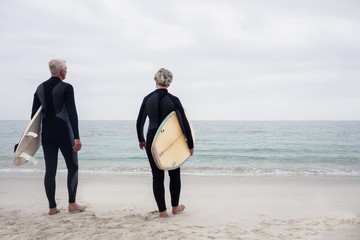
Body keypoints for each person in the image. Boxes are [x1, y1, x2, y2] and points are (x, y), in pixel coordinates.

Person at [136, 68, 194, 218]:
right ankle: (175, 207)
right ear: (169, 82)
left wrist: (141, 139)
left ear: (155, 80)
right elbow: (184, 124)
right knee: (174, 174)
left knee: (157, 176)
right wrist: (190, 144)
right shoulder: (174, 100)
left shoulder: (147, 99)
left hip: (152, 140)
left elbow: (139, 122)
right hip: (170, 143)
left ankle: (162, 212)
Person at [32, 59, 86, 215]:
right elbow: (71, 113)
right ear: (61, 71)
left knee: (50, 170)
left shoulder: (40, 88)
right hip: (63, 131)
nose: (67, 71)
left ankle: (52, 207)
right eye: (66, 69)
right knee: (73, 166)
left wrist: (33, 139)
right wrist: (76, 137)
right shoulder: (67, 88)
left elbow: (34, 117)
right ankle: (72, 204)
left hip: (47, 133)